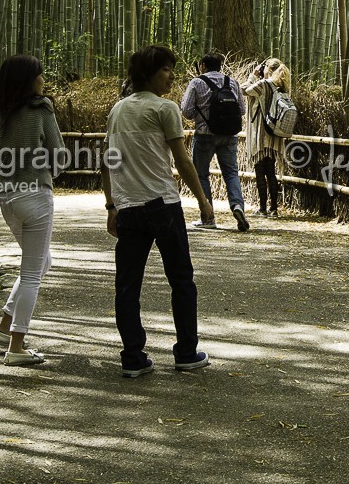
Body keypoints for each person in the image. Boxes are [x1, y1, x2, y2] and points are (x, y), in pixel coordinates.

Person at [103, 45, 214, 375]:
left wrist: (112, 206)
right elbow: (182, 160)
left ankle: (133, 358)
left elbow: (107, 163)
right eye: (166, 69)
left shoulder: (118, 110)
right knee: (181, 280)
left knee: (127, 285)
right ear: (148, 73)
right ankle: (186, 353)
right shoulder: (165, 109)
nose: (171, 75)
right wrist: (203, 200)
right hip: (163, 207)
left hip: (129, 210)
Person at [0, 54, 68, 367]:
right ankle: (17, 346)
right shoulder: (42, 109)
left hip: (8, 200)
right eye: (39, 75)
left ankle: (2, 328)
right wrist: (52, 169)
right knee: (31, 276)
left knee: (42, 262)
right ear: (28, 80)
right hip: (36, 197)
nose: (43, 80)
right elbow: (60, 155)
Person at [180, 53, 251, 232]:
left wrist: (201, 113)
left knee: (201, 175)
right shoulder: (232, 82)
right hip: (228, 135)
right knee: (231, 173)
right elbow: (242, 110)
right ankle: (237, 207)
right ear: (220, 65)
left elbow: (187, 111)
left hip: (204, 134)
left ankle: (208, 217)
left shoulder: (197, 82)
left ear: (202, 65)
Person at [243, 57, 292, 217]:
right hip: (274, 135)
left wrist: (253, 75)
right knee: (271, 171)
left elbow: (244, 90)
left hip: (260, 135)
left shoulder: (264, 85)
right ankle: (274, 208)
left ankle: (262, 208)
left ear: (269, 70)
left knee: (259, 170)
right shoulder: (282, 87)